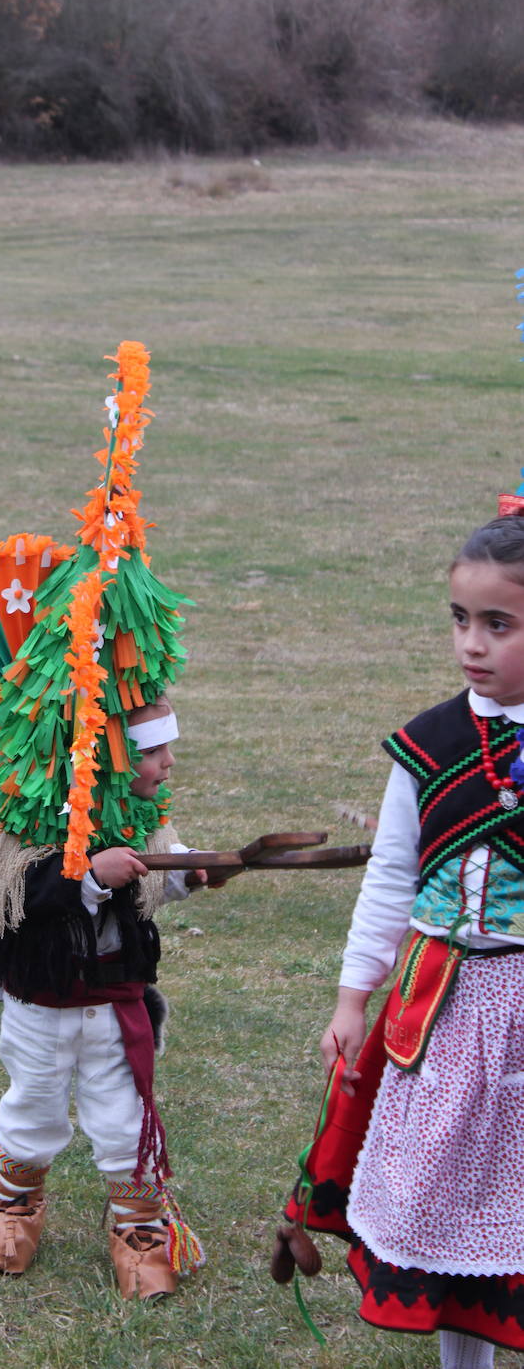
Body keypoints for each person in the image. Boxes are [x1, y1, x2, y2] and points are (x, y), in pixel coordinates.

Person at [0, 342, 211, 1298]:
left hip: (117, 1003)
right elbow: (28, 902)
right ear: (100, 745)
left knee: (128, 1114)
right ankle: (12, 1199)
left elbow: (158, 878)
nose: (167, 763)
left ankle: (138, 1226)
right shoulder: (32, 838)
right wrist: (93, 873)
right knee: (37, 1107)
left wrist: (184, 869)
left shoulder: (144, 814)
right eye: (154, 748)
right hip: (45, 1007)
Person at [291, 508, 524, 1366]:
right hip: (447, 1010)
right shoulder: (427, 748)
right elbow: (391, 878)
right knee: (446, 1204)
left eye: (499, 624)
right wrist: (353, 998)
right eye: (462, 620)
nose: (473, 643)